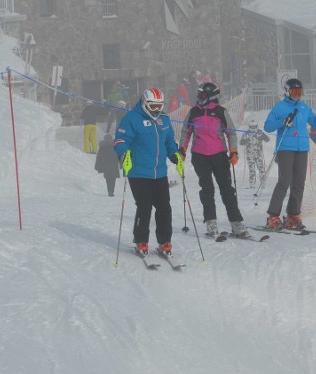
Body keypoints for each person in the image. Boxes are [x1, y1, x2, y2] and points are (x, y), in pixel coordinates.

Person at [113, 88, 181, 256]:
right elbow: (120, 140)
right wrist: (124, 153)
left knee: (164, 207)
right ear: (144, 103)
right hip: (138, 172)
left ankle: (165, 241)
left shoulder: (164, 119)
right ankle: (141, 240)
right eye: (153, 106)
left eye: (159, 106)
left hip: (160, 173)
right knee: (145, 206)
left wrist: (175, 155)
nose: (157, 110)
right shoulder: (131, 119)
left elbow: (170, 142)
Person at [179, 82, 249, 238]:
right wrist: (182, 149)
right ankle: (211, 222)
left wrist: (233, 151)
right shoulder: (194, 112)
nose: (200, 98)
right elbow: (186, 132)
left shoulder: (220, 112)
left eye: (203, 95)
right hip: (200, 156)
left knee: (227, 189)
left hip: (219, 155)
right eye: (199, 95)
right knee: (207, 189)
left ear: (211, 97)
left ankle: (236, 223)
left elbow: (231, 133)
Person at [262, 78, 316, 230]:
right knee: (284, 181)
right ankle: (273, 216)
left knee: (299, 182)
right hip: (285, 148)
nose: (297, 95)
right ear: (287, 91)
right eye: (294, 92)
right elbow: (268, 126)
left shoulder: (304, 108)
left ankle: (293, 215)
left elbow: (315, 123)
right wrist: (283, 121)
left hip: (302, 148)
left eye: (299, 92)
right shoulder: (280, 108)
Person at [238, 119, 269, 188]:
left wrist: (263, 137)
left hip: (259, 154)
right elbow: (241, 142)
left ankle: (263, 184)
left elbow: (267, 139)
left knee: (261, 169)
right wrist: (244, 141)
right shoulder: (246, 133)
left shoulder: (260, 132)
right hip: (250, 155)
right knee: (251, 170)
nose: (253, 128)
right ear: (249, 126)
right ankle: (252, 185)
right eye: (252, 127)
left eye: (254, 126)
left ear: (257, 126)